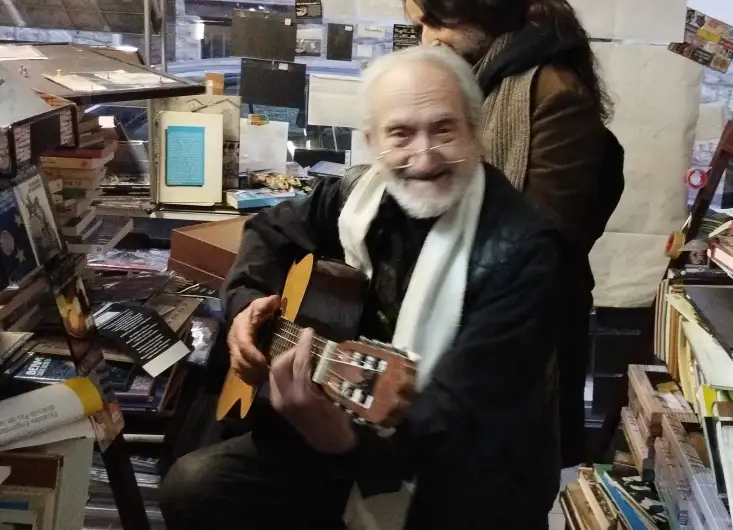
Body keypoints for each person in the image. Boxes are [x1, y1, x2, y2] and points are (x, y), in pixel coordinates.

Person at [159, 46, 577, 530]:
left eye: (444, 128)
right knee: (192, 488)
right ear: (372, 141)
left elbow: (461, 418)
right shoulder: (356, 193)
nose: (424, 156)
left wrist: (343, 442)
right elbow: (268, 232)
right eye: (401, 133)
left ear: (477, 133)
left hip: (464, 476)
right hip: (339, 428)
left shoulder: (524, 251)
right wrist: (246, 310)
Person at [403, 0, 625, 465]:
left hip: (524, 333)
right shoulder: (474, 84)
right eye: (420, 25)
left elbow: (547, 235)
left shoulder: (553, 93)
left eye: (436, 23)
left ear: (476, 14)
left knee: (503, 490)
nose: (427, 39)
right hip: (471, 321)